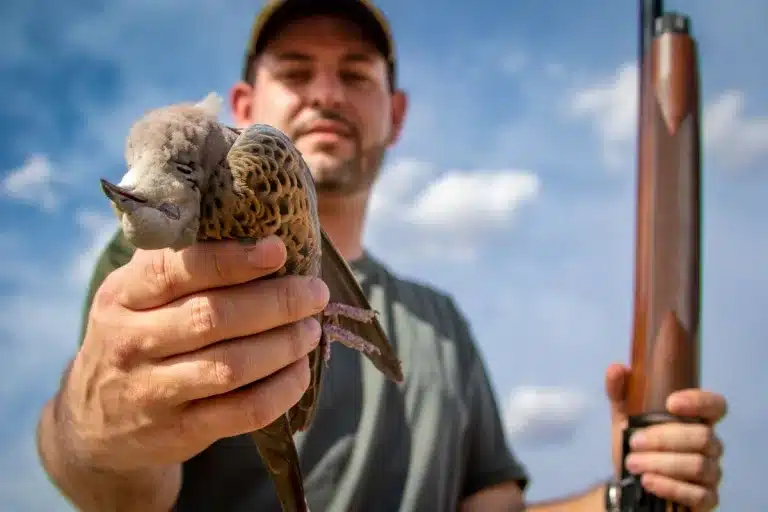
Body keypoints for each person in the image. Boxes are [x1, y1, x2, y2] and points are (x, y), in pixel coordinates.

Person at [35, 0, 727, 510]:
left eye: (355, 74)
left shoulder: (441, 324)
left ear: (396, 113)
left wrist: (628, 490)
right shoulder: (161, 254)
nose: (327, 94)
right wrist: (90, 429)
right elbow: (118, 493)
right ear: (246, 103)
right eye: (298, 70)